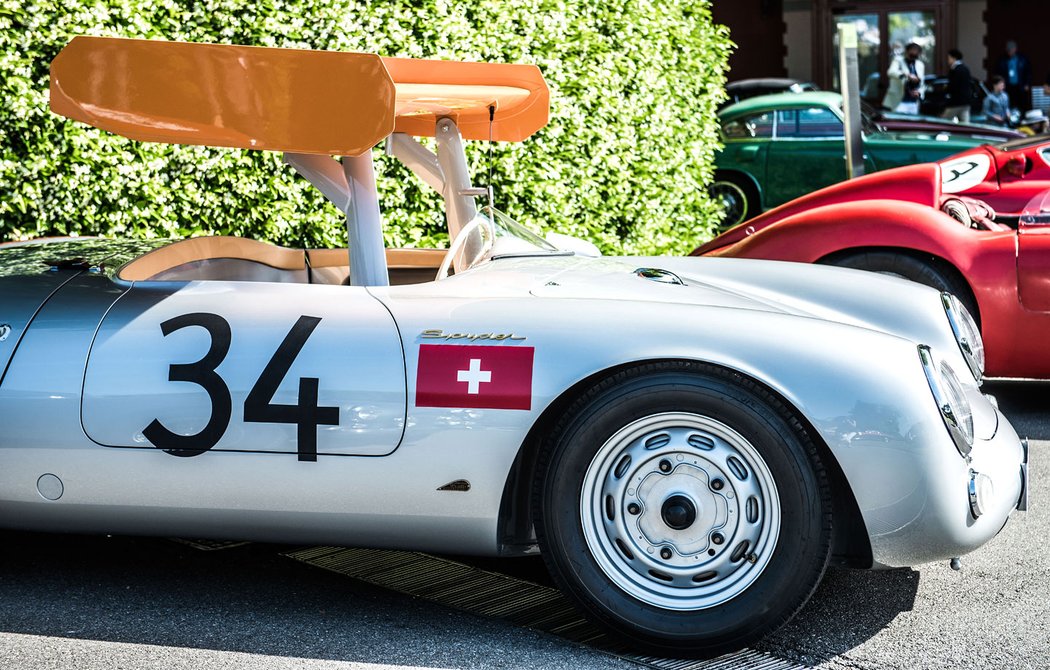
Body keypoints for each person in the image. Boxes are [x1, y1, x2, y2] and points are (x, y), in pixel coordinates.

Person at [884, 42, 925, 114]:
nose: (915, 53)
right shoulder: (898, 60)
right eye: (913, 50)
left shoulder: (920, 65)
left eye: (917, 52)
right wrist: (907, 75)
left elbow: (922, 83)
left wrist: (919, 92)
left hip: (913, 102)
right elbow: (891, 72)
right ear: (907, 51)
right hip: (899, 101)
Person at [995, 40, 1031, 112]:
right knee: (1008, 104)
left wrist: (1027, 84)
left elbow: (1028, 72)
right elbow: (998, 73)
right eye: (1008, 50)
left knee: (1021, 105)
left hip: (1020, 86)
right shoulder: (1002, 60)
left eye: (1011, 50)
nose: (1010, 52)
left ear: (1015, 49)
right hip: (1008, 86)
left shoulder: (1022, 59)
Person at [942, 48, 972, 122]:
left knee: (943, 122)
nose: (948, 61)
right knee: (964, 125)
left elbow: (953, 86)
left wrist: (946, 89)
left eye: (949, 58)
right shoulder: (966, 68)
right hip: (965, 102)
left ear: (954, 58)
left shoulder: (955, 70)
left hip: (955, 102)